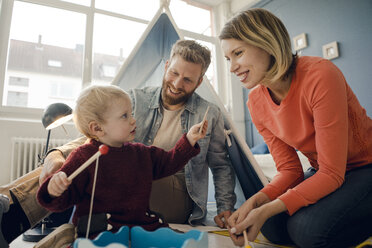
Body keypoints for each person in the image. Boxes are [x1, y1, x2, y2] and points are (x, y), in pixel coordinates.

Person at [0, 39, 236, 245]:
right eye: (174, 73)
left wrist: (225, 206)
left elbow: (220, 164)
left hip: (169, 181)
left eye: (187, 80)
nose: (176, 83)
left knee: (93, 171)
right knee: (67, 168)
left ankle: (24, 212)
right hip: (128, 173)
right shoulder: (135, 99)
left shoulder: (208, 112)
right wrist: (57, 154)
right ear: (166, 66)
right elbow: (97, 139)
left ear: (199, 81)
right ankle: (10, 209)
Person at [219, 8, 372, 248]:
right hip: (326, 171)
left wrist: (268, 207)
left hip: (365, 166)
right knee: (272, 225)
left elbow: (332, 173)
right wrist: (257, 202)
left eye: (238, 53)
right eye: (228, 59)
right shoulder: (255, 102)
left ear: (267, 43)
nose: (232, 68)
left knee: (306, 230)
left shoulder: (320, 74)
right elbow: (291, 171)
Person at [37, 85, 206, 237]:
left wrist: (189, 140)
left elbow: (169, 162)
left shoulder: (140, 152)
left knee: (171, 237)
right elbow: (63, 201)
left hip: (139, 226)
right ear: (97, 128)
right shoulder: (83, 156)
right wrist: (53, 189)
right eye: (124, 116)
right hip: (100, 229)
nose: (133, 120)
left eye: (131, 113)